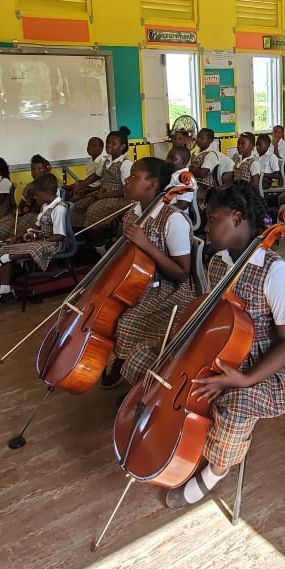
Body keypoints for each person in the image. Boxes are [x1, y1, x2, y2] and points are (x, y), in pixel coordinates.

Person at [164, 183, 285, 508]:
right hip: (228, 350)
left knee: (234, 402)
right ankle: (187, 437)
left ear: (237, 218)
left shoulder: (277, 273)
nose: (206, 227)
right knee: (180, 373)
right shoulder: (219, 261)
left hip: (269, 368)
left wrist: (243, 379)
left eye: (213, 219)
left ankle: (216, 469)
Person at [103, 157, 197, 388]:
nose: (127, 180)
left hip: (169, 290)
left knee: (127, 321)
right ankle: (125, 357)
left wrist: (146, 244)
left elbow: (181, 273)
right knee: (107, 311)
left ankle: (130, 366)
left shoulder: (173, 219)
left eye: (134, 177)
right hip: (138, 283)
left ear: (152, 184)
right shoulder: (133, 213)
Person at [0, 174, 69, 308]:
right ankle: (4, 292)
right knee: (6, 247)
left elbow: (60, 236)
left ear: (46, 193)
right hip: (41, 241)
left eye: (37, 195)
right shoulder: (45, 207)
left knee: (34, 247)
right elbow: (35, 228)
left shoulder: (60, 208)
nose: (35, 198)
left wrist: (40, 238)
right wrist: (18, 237)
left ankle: (3, 259)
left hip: (54, 244)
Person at [74, 126, 134, 232]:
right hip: (103, 194)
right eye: (108, 142)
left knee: (92, 211)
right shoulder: (107, 160)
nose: (109, 145)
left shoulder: (125, 163)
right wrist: (81, 185)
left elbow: (127, 190)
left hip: (119, 198)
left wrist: (103, 196)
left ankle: (98, 240)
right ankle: (82, 234)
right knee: (78, 206)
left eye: (114, 144)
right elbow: (96, 175)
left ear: (122, 147)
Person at [0, 154, 50, 244]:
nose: (35, 171)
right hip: (24, 215)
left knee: (13, 232)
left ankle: (10, 247)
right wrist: (18, 209)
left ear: (45, 170)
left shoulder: (49, 186)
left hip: (36, 217)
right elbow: (22, 203)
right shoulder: (29, 186)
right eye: (33, 168)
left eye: (39, 168)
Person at [189, 127, 222, 209]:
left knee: (187, 197)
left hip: (205, 189)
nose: (198, 140)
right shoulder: (195, 153)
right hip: (194, 185)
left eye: (202, 138)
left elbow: (202, 173)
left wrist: (190, 169)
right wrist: (193, 170)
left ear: (210, 140)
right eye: (198, 137)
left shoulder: (211, 155)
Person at [67, 137, 108, 201]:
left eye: (94, 146)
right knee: (67, 192)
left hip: (94, 189)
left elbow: (101, 183)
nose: (90, 147)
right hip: (86, 186)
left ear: (101, 149)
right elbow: (88, 178)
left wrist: (83, 188)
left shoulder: (103, 162)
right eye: (89, 145)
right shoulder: (89, 161)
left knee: (73, 199)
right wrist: (78, 184)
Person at [164, 144, 196, 210]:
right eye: (168, 157)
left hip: (175, 213)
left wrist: (160, 211)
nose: (167, 160)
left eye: (173, 158)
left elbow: (182, 205)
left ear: (183, 162)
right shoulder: (172, 174)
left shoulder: (186, 178)